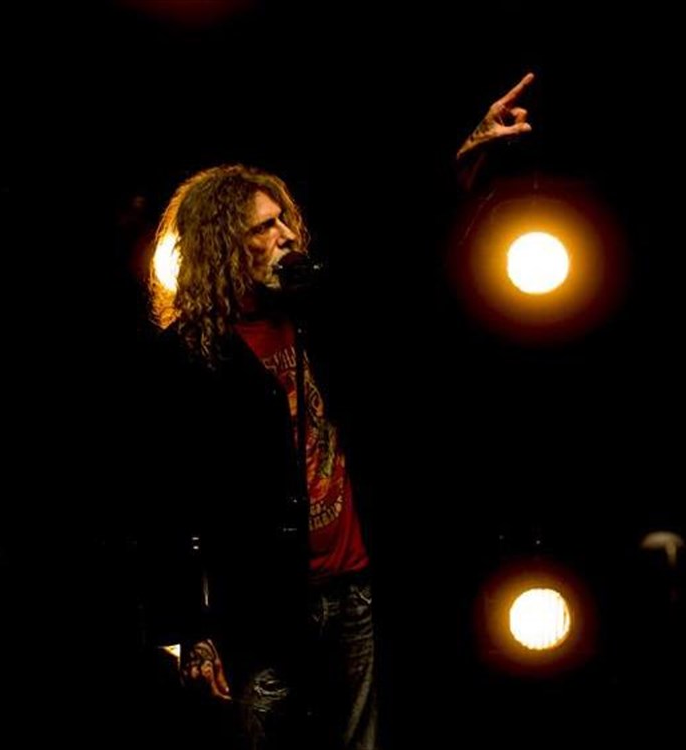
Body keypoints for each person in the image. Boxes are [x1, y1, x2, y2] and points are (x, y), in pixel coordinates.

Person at [141, 73, 535, 750]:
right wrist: (190, 630)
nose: (286, 236)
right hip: (262, 610)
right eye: (264, 228)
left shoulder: (318, 317)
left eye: (283, 220)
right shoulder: (187, 357)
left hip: (352, 589)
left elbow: (394, 248)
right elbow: (164, 501)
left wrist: (464, 161)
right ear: (224, 247)